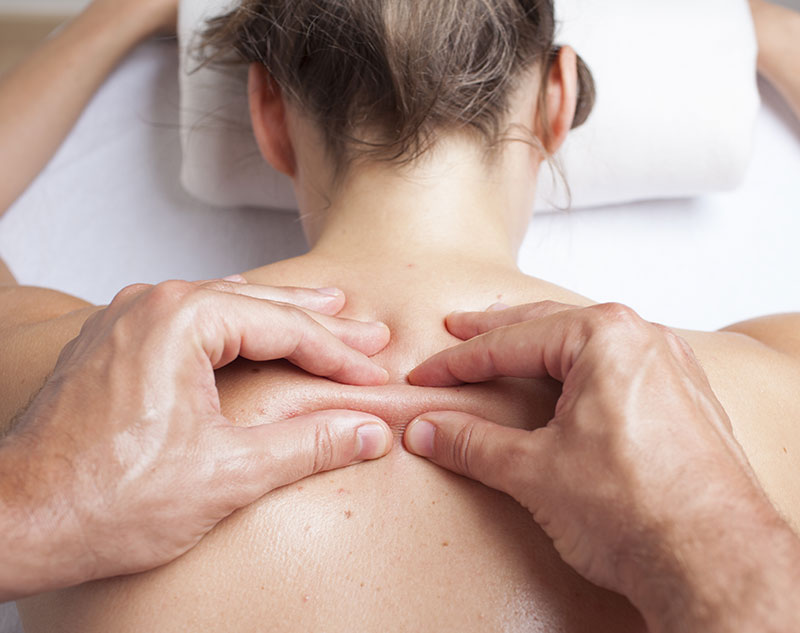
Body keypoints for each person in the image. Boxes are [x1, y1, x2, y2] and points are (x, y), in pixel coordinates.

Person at [1, 0, 798, 631]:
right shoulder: (757, 410)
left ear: (268, 115)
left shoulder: (67, 405)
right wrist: (754, 28)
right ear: (558, 103)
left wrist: (123, 13)